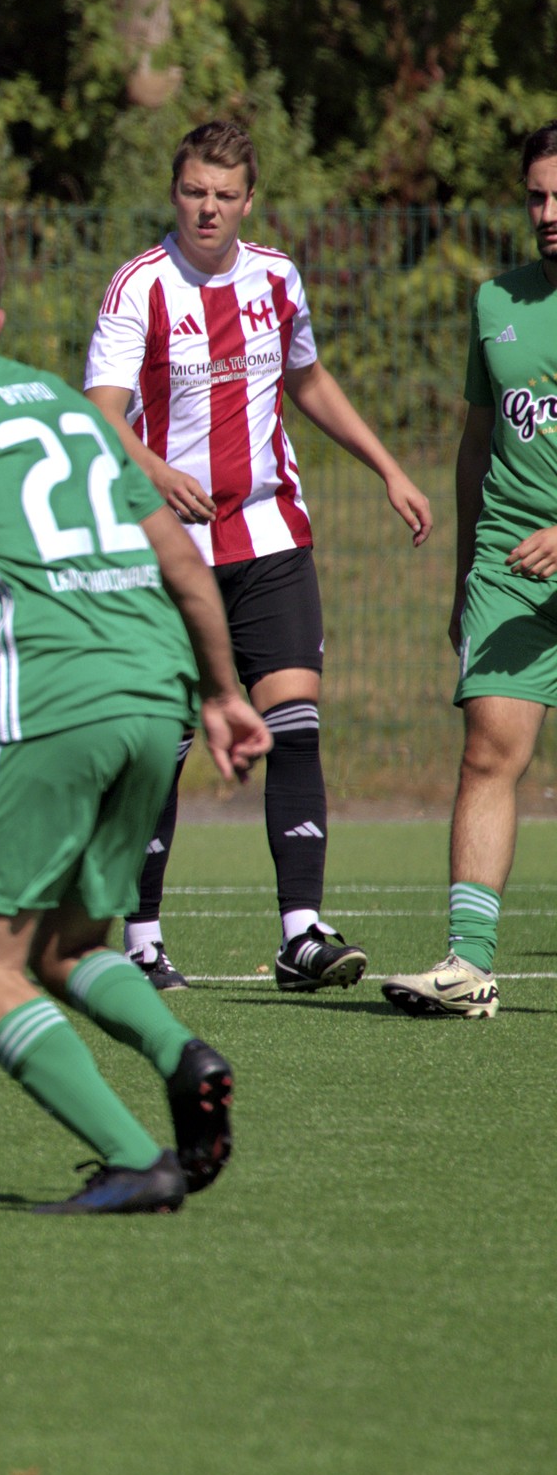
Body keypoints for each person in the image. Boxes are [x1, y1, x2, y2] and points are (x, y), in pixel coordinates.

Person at [0, 219, 271, 1213]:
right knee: (72, 944)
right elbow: (185, 565)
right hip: (154, 694)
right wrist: (223, 695)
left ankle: (134, 1158)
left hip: (48, 701)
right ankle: (183, 1052)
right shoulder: (69, 407)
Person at [84, 120, 433, 993]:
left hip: (273, 538)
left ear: (249, 200)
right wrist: (156, 472)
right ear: (177, 192)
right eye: (194, 191)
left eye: (224, 195)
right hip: (172, 551)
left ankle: (302, 933)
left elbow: (306, 379)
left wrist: (388, 467)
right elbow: (97, 412)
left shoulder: (276, 277)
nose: (208, 208)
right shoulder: (141, 287)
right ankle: (140, 938)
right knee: (162, 742)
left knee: (296, 727)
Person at [381, 122, 557, 1018]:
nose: (548, 212)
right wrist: (462, 577)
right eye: (536, 196)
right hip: (509, 565)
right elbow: (475, 445)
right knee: (490, 749)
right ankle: (467, 964)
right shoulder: (496, 302)